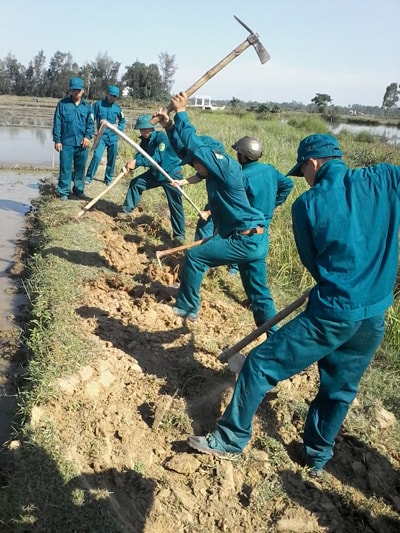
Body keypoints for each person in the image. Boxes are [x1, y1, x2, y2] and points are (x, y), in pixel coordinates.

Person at [186, 133, 400, 477]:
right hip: (374, 314)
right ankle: (316, 456)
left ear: (311, 163)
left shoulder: (308, 205)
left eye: (304, 172)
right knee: (340, 388)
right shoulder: (385, 178)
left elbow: (313, 263)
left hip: (333, 312)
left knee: (258, 365)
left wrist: (337, 283)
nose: (306, 179)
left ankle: (229, 439)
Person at [155, 92, 283, 328]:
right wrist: (170, 127)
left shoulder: (225, 167)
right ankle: (273, 334)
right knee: (259, 295)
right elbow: (187, 151)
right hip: (255, 238)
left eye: (196, 163)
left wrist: (181, 112)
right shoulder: (213, 172)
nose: (193, 167)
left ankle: (188, 307)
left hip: (244, 240)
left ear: (211, 159)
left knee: (195, 256)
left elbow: (195, 146)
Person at [191, 136, 293, 276]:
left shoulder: (240, 176)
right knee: (253, 248)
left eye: (238, 153)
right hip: (264, 220)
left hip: (245, 220)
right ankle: (236, 270)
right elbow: (288, 184)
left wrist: (209, 212)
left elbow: (225, 201)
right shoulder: (270, 170)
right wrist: (275, 203)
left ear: (243, 157)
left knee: (237, 240)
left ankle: (218, 264)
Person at [121, 114, 186, 243]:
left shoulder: (162, 138)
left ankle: (179, 235)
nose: (144, 131)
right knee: (136, 183)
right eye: (141, 129)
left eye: (146, 129)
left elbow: (156, 159)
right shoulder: (144, 141)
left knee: (175, 205)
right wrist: (129, 165)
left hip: (171, 175)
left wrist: (137, 162)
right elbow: (139, 155)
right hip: (156, 174)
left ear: (152, 128)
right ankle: (126, 211)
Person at [52, 77, 94, 201]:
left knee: (80, 168)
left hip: (82, 143)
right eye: (74, 90)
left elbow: (91, 124)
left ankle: (78, 191)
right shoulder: (62, 105)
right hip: (66, 142)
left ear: (83, 91)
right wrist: (57, 140)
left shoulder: (87, 107)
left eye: (78, 90)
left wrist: (87, 137)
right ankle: (64, 192)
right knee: (66, 168)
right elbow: (57, 123)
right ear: (70, 90)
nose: (76, 92)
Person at [85, 85, 125, 186]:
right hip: (101, 136)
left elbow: (122, 120)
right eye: (112, 95)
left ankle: (108, 179)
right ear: (107, 94)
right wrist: (94, 129)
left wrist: (118, 130)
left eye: (115, 96)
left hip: (113, 137)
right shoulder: (98, 105)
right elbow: (91, 116)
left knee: (112, 158)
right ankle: (89, 177)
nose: (113, 98)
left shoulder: (117, 108)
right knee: (97, 156)